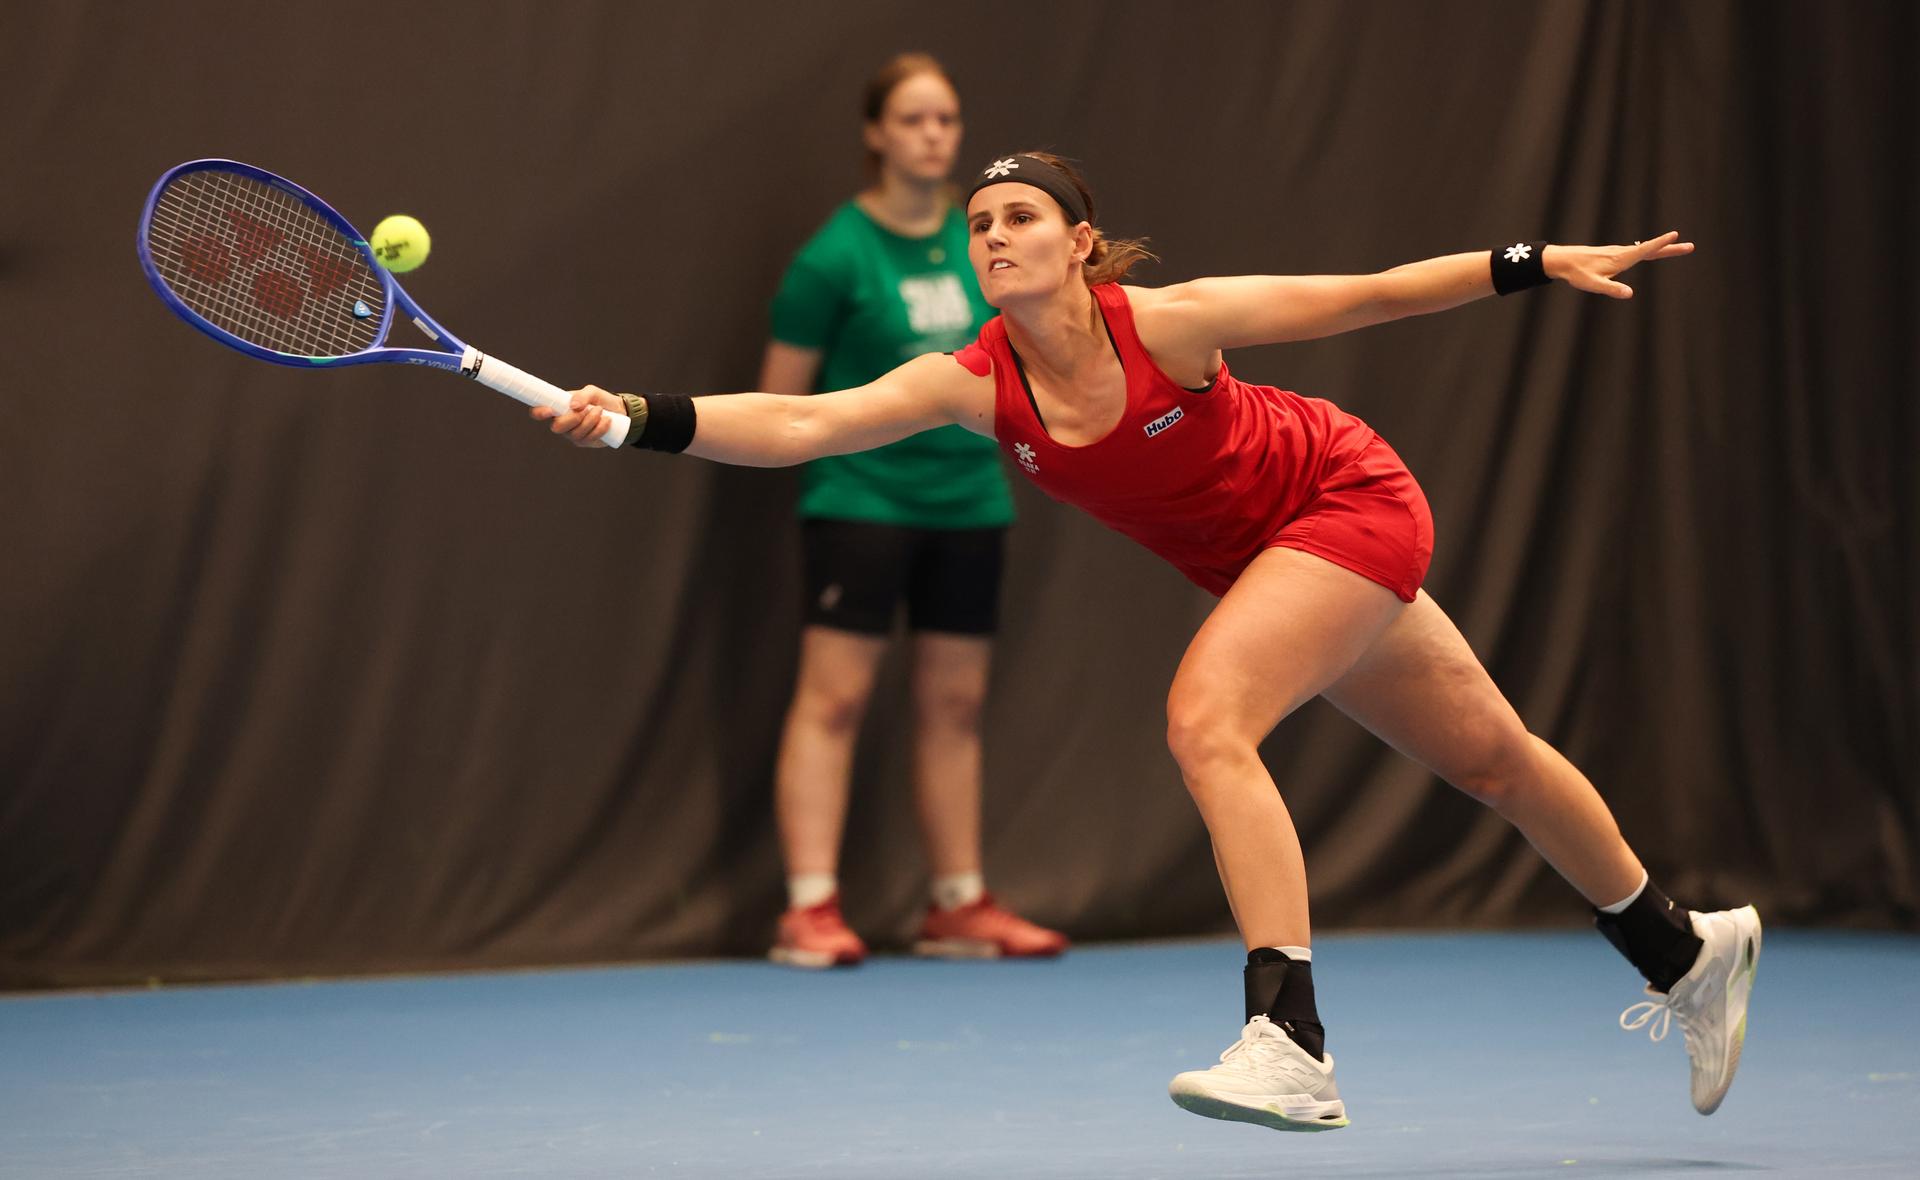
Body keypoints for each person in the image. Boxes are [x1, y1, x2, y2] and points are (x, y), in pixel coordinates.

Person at [538, 152, 1760, 1130]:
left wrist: (1535, 260)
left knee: (1206, 719)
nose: (994, 236)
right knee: (1493, 758)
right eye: (979, 225)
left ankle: (1290, 1042)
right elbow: (804, 419)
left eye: (1020, 216)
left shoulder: (1171, 326)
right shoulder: (973, 383)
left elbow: (1371, 292)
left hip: (1346, 502)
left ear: (1079, 242)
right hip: (1265, 562)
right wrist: (638, 418)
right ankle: (1681, 947)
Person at [754, 56, 1067, 968]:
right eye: (915, 119)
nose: (935, 135)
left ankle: (957, 904)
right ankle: (809, 908)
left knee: (956, 704)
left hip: (971, 500)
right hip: (861, 502)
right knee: (836, 698)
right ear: (877, 134)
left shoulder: (988, 247)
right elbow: (781, 404)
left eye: (947, 119)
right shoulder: (832, 258)